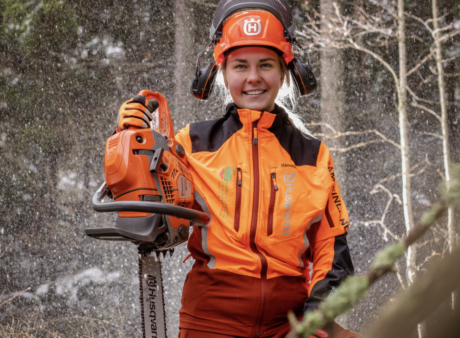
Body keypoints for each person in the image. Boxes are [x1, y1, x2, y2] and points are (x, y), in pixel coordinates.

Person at [117, 1, 358, 337]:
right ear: (222, 72)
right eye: (241, 66)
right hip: (211, 319)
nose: (254, 78)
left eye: (266, 65)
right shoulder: (193, 143)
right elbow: (151, 217)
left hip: (289, 321)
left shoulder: (312, 155)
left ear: (286, 71)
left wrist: (316, 317)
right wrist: (130, 147)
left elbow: (333, 252)